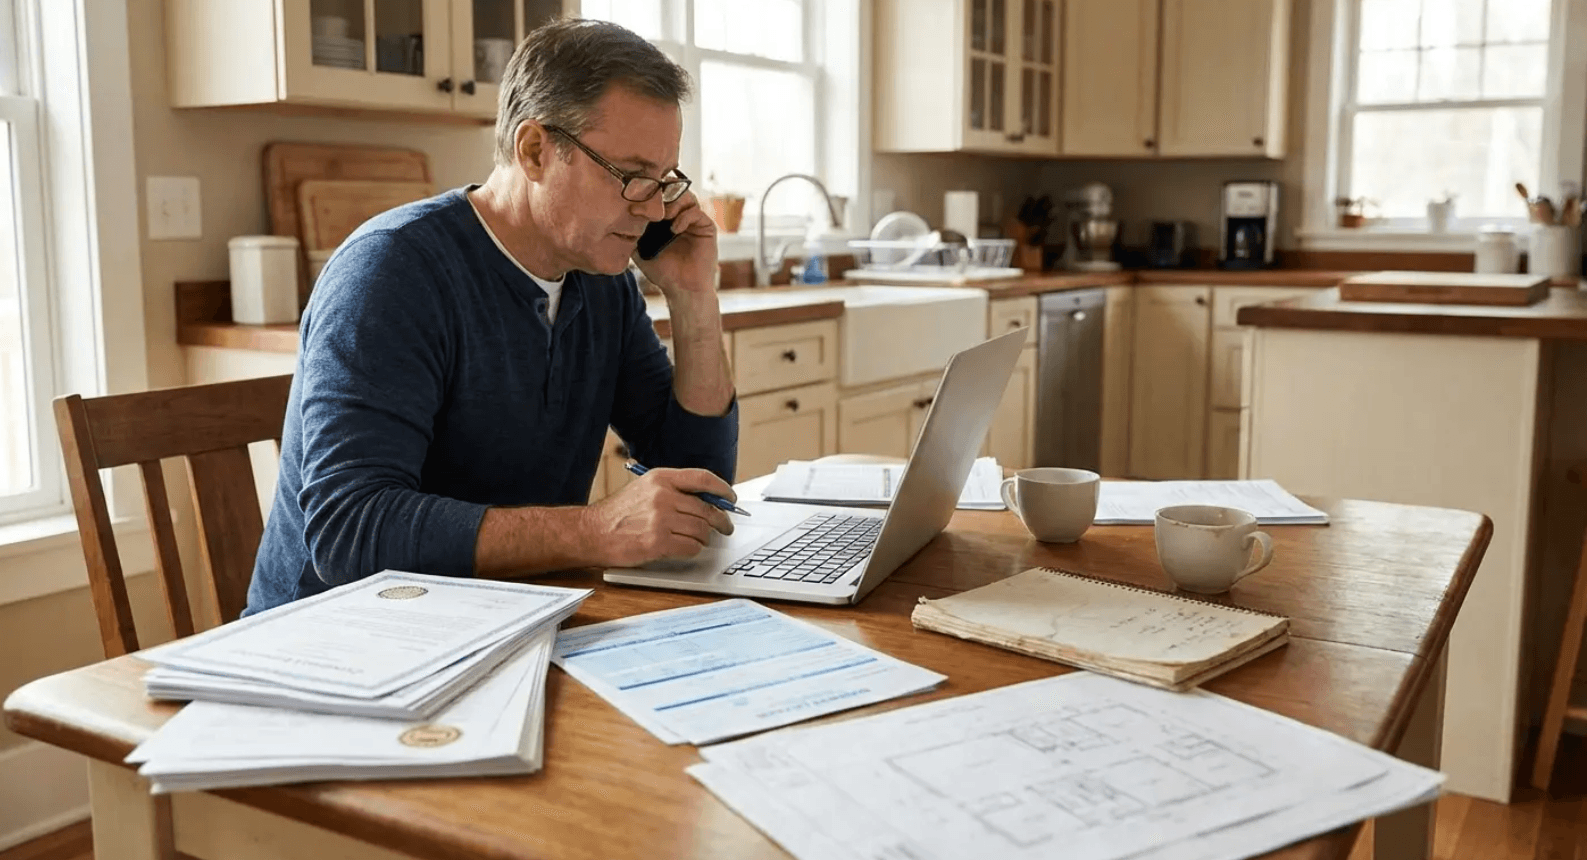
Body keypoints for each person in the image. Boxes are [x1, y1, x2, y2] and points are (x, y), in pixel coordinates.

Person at [244, 18, 738, 615]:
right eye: (632, 177)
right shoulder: (393, 271)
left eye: (663, 181)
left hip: (509, 623)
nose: (655, 208)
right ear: (535, 150)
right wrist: (595, 530)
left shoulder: (601, 277)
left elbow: (697, 487)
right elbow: (350, 531)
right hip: (334, 646)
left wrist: (694, 296)